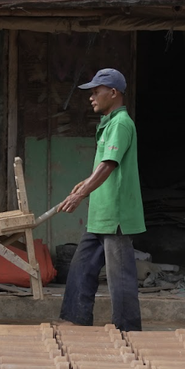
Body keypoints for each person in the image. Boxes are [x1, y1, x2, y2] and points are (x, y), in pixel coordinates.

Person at [57, 68, 145, 332]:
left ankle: (128, 330)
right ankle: (75, 319)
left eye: (96, 92)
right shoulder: (109, 123)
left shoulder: (120, 123)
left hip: (116, 214)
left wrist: (80, 194)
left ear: (113, 93)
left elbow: (108, 165)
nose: (91, 97)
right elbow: (104, 167)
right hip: (101, 214)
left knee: (120, 277)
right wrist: (85, 183)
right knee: (81, 266)